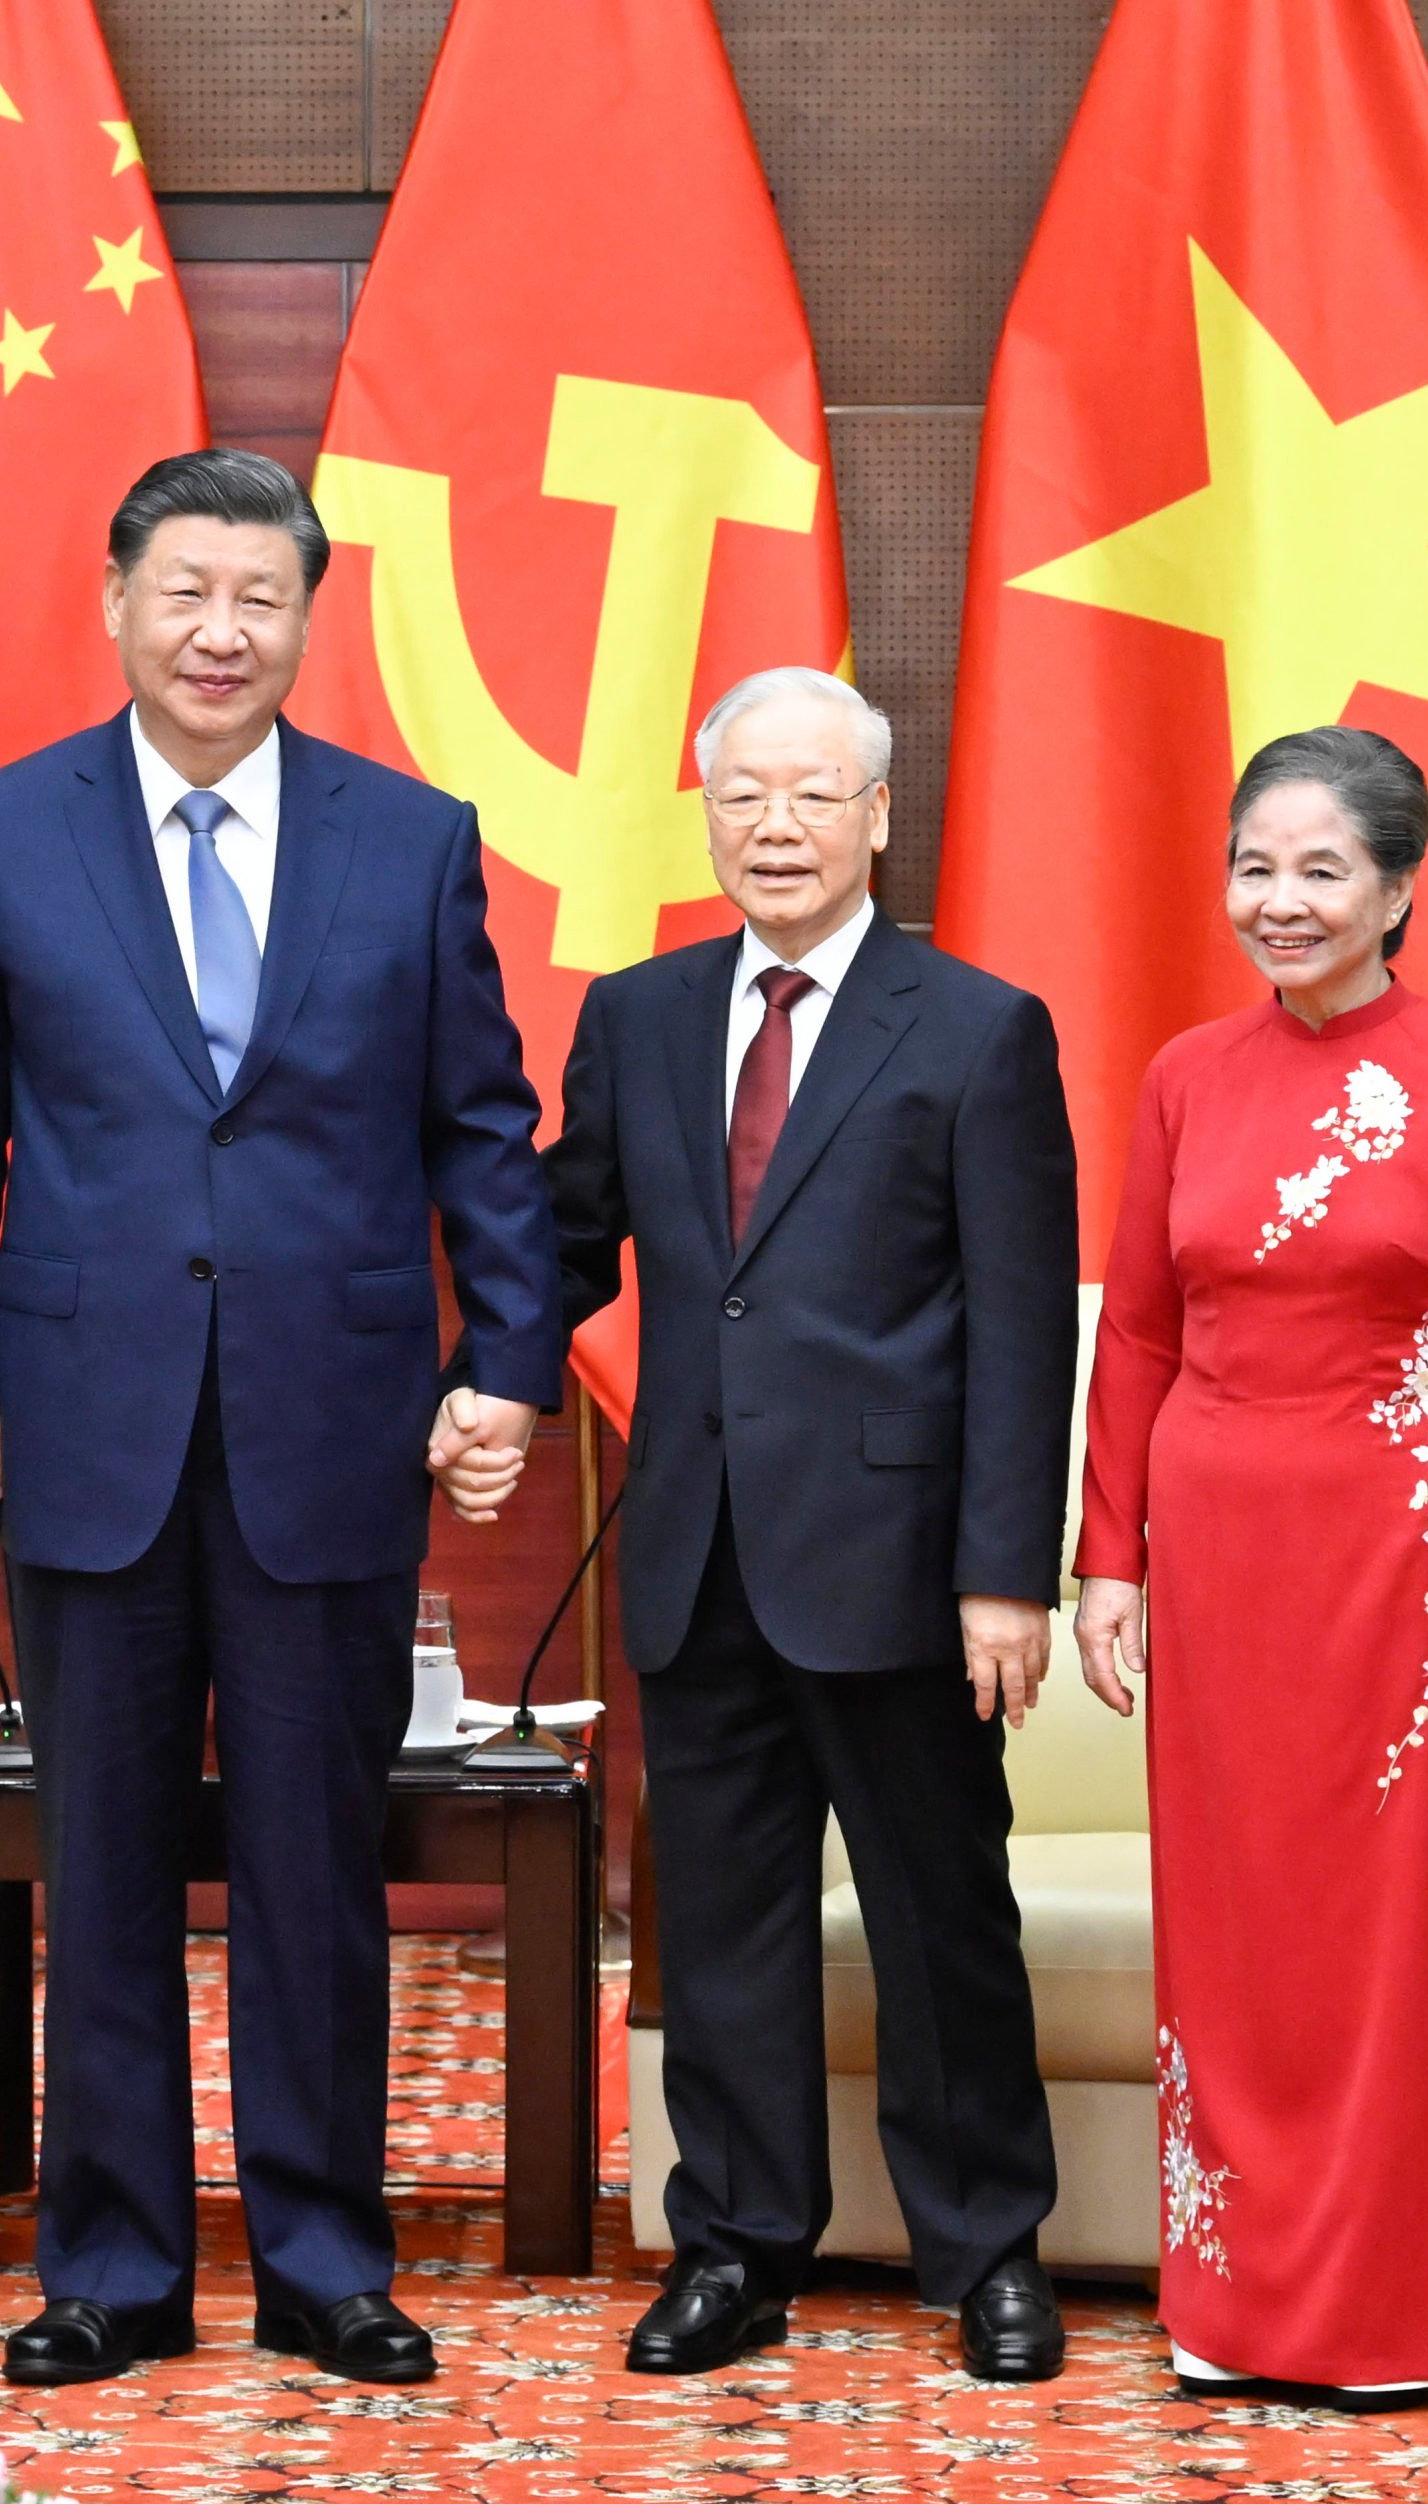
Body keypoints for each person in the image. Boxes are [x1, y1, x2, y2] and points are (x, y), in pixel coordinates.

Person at [0, 447, 564, 2390]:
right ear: (112, 598)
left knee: (310, 1859)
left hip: (329, 1414)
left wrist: (507, 1360)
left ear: (302, 615)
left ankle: (322, 2254)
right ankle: (105, 2264)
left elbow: (481, 1130)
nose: (217, 628)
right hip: (81, 1418)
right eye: (182, 588)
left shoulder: (408, 836)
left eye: (257, 595)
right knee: (96, 1858)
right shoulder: (4, 830)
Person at [542, 667, 1079, 2385]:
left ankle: (987, 2250)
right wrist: (474, 1367)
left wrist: (1007, 1574)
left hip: (901, 1567)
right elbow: (568, 1238)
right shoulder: (635, 1016)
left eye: (810, 795)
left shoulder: (980, 1026)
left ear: (877, 817)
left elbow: (1019, 1325)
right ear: (707, 818)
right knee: (725, 1924)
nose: (774, 826)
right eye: (742, 798)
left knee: (941, 1918)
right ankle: (737, 2247)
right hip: (696, 1547)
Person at [1071, 723, 1428, 2397]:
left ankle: (1409, 2310)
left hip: (1421, 1561)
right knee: (1246, 1935)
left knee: (1409, 1939)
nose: (1280, 901)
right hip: (1228, 1556)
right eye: (1255, 866)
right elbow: (1141, 1335)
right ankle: (1238, 2308)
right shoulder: (1182, 1077)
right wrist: (1109, 1561)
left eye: (1321, 870)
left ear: (1396, 890)